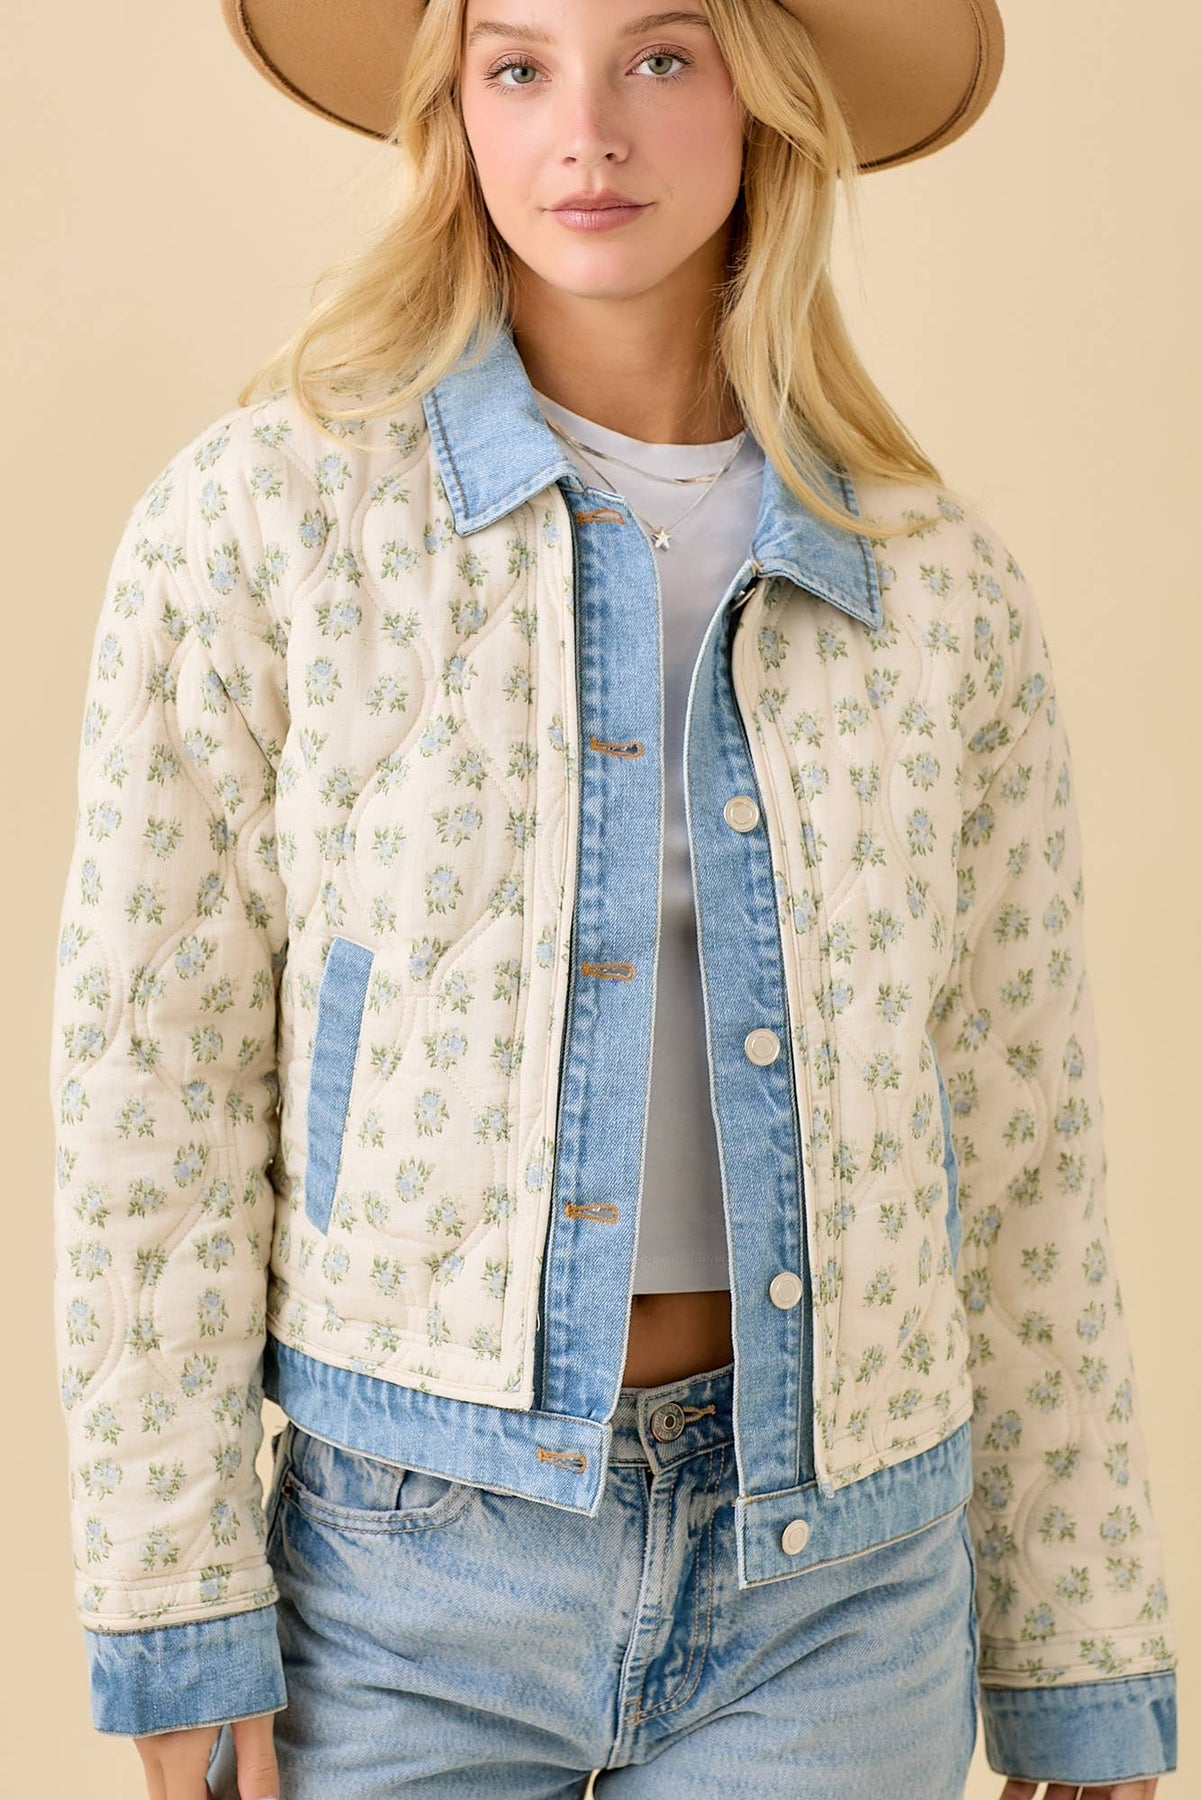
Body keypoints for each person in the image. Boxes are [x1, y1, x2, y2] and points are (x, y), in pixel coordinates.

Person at [47, 1, 1178, 1796]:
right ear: (457, 111)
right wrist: (174, 1606)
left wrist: (1076, 1650)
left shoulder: (934, 590)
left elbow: (1018, 1134)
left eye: (660, 56)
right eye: (518, 64)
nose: (586, 128)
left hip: (839, 1591)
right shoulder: (266, 526)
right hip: (403, 1571)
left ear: (764, 99)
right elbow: (152, 1095)